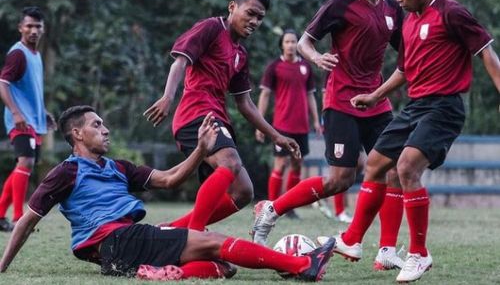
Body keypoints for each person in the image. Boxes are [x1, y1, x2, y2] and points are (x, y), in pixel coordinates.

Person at [0, 105, 336, 281]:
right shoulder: (66, 171)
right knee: (216, 242)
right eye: (97, 125)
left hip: (125, 245)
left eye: (104, 124)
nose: (105, 129)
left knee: (221, 266)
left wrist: (201, 149)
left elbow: (171, 178)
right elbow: (29, 219)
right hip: (116, 241)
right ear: (77, 134)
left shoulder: (119, 167)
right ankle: (301, 265)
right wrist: (3, 266)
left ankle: (161, 273)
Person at [325, 0, 500, 282]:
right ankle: (353, 239)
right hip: (416, 106)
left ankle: (419, 253)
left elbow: (487, 53)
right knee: (376, 164)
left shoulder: (452, 12)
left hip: (445, 107)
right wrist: (374, 95)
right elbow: (404, 71)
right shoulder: (409, 21)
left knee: (405, 167)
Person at [252, 0, 406, 270]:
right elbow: (304, 43)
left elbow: (407, 49)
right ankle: (272, 209)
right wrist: (317, 57)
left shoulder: (392, 7)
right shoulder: (340, 4)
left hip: (376, 102)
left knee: (394, 169)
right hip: (341, 102)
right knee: (340, 180)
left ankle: (386, 250)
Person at [144, 0, 300, 232]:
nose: (254, 21)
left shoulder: (241, 53)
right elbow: (181, 61)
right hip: (195, 115)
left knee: (243, 192)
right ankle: (193, 237)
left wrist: (277, 136)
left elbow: (245, 104)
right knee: (230, 162)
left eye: (260, 18)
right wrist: (167, 97)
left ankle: (172, 231)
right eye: (250, 13)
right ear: (232, 7)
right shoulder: (212, 27)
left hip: (217, 117)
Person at [255, 29, 321, 220]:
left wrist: (316, 120)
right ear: (282, 45)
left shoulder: (305, 68)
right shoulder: (274, 67)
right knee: (280, 163)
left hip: (301, 125)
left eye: (294, 42)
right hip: (281, 126)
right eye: (287, 42)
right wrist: (260, 123)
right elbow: (265, 94)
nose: (291, 45)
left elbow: (310, 96)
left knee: (297, 164)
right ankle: (271, 207)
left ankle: (289, 207)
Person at [0, 7, 56, 232]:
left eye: (38, 26)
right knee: (26, 163)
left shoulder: (36, 54)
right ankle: (18, 219)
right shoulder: (18, 53)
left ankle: (1, 214)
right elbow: (2, 84)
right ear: (20, 28)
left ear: (43, 29)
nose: (33, 30)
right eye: (29, 26)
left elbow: (31, 89)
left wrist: (43, 112)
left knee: (22, 167)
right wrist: (15, 113)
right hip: (20, 120)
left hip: (34, 119)